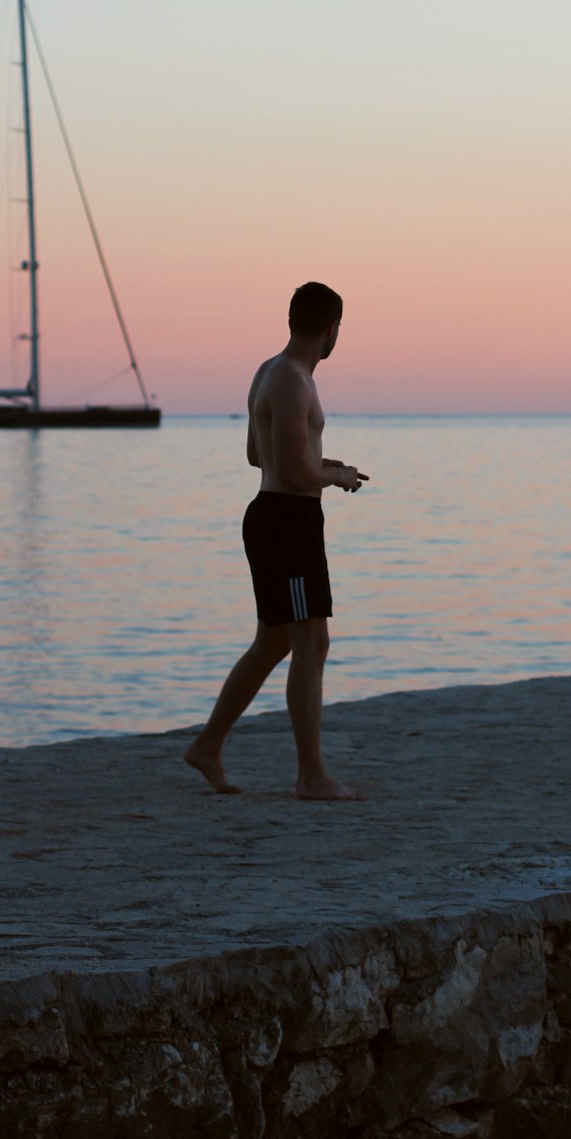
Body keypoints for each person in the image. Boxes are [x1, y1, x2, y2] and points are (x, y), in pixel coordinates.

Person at [184, 282, 369, 800]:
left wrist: (323, 465)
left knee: (278, 640)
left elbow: (256, 455)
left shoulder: (271, 371)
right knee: (310, 641)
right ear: (331, 328)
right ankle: (311, 776)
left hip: (277, 514)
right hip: (288, 521)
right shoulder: (293, 381)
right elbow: (286, 467)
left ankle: (207, 746)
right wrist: (335, 477)